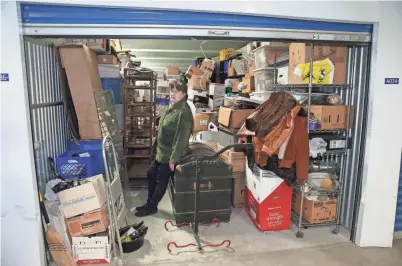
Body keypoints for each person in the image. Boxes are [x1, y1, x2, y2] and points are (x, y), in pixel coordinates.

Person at [134, 80, 194, 217]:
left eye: (176, 91)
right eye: (171, 91)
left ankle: (151, 206)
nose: (173, 94)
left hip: (169, 155)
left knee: (161, 181)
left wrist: (174, 158)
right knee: (151, 174)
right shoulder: (172, 107)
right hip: (161, 152)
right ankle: (150, 202)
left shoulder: (183, 112)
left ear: (184, 94)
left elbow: (182, 137)